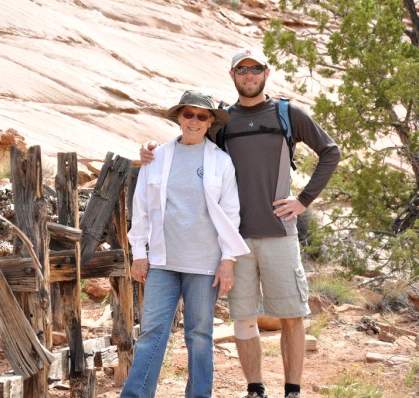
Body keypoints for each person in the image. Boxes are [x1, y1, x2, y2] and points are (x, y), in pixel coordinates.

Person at [139, 48, 341, 398]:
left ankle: (292, 390)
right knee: (243, 317)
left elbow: (331, 151)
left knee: (291, 315)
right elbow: (190, 145)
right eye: (241, 70)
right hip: (232, 241)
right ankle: (255, 389)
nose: (249, 76)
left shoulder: (286, 113)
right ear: (232, 75)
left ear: (266, 72)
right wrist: (150, 151)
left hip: (280, 231)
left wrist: (303, 200)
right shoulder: (223, 121)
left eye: (255, 69)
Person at [122, 89, 250, 398]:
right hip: (163, 262)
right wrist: (139, 253)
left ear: (209, 123)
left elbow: (231, 213)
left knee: (200, 335)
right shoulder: (156, 156)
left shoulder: (221, 162)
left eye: (201, 116)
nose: (194, 120)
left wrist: (228, 260)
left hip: (205, 263)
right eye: (188, 114)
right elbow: (140, 208)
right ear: (179, 117)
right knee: (152, 333)